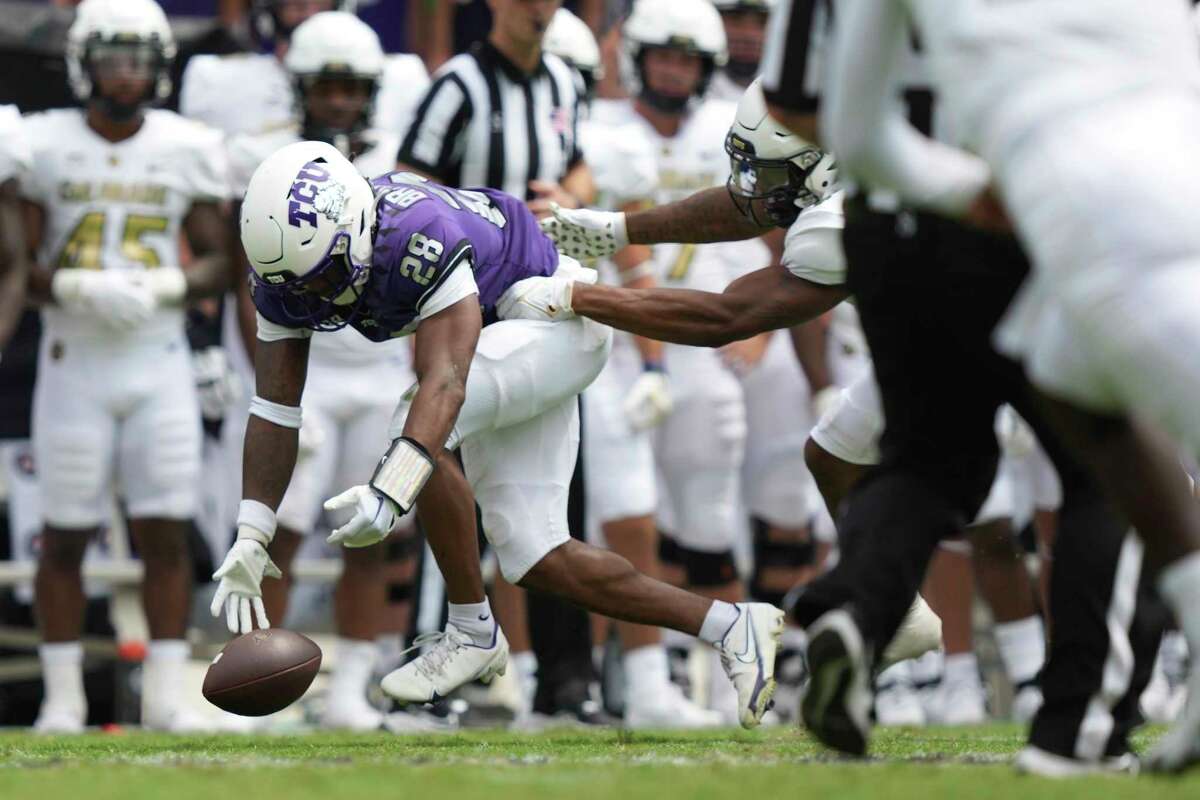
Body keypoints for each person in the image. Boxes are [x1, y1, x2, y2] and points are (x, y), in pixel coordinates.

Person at [525, 69, 1164, 774]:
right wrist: (620, 229)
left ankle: (1090, 676)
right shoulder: (860, 147)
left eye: (771, 172)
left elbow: (727, 316)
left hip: (1065, 305)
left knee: (1125, 488)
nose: (755, 187)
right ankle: (879, 614)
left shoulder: (836, 213)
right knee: (836, 453)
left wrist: (583, 297)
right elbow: (754, 204)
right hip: (971, 294)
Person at [209, 140, 786, 730]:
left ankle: (469, 628)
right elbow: (275, 407)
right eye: (300, 286)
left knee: (416, 421)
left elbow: (447, 383)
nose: (316, 298)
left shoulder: (416, 234)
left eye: (326, 276)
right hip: (504, 337)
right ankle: (734, 626)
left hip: (549, 317)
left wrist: (388, 494)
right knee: (537, 555)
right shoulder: (290, 274)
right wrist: (252, 532)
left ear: (356, 229)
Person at [810, 0, 1200, 773]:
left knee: (1070, 441)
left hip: (1058, 206)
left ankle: (1077, 730)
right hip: (1168, 170)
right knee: (1088, 416)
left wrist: (965, 191)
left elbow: (849, 130)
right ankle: (1088, 726)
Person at [22, 0, 234, 733]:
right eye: (113, 58)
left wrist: (171, 283)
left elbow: (219, 257)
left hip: (158, 358)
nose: (126, 74)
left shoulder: (184, 146)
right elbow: (13, 262)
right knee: (65, 533)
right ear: (83, 62)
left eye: (139, 58)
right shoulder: (38, 143)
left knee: (166, 531)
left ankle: (169, 698)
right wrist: (72, 283)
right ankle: (63, 698)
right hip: (71, 356)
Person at [224, 11, 433, 733]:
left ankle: (352, 686)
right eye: (328, 86)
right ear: (302, 87)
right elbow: (242, 276)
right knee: (274, 532)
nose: (341, 100)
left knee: (371, 536)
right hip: (302, 364)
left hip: (377, 366)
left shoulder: (401, 161)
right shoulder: (265, 158)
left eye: (352, 87)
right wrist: (257, 375)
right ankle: (261, 682)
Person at [396, 0, 596, 723]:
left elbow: (580, 172)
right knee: (441, 471)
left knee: (563, 487)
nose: (540, 6)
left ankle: (568, 681)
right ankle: (430, 657)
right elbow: (404, 189)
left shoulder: (566, 83)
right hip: (466, 305)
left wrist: (568, 198)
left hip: (545, 304)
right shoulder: (457, 86)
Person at [542, 6, 721, 729]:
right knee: (526, 519)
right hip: (518, 343)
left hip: (596, 347)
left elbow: (636, 265)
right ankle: (530, 674)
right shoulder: (500, 136)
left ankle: (645, 681)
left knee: (629, 510)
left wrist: (657, 368)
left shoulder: (610, 147)